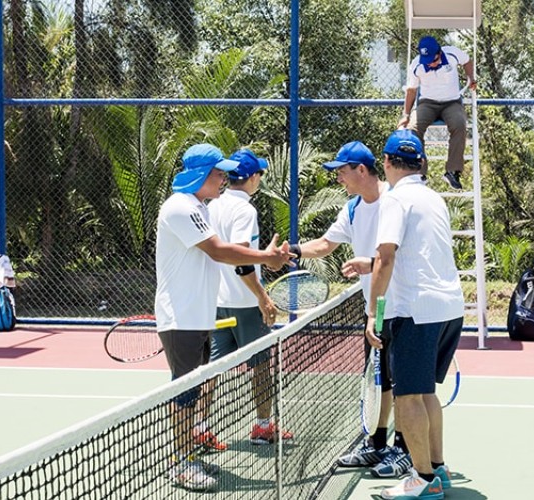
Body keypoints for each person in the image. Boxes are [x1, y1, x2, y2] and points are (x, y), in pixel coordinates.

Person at [155, 143, 293, 492]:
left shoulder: (199, 207)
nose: (223, 179)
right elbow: (219, 251)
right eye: (218, 173)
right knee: (184, 393)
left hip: (198, 316)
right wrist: (266, 257)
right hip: (181, 319)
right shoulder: (180, 207)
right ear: (200, 175)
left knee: (195, 387)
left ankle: (187, 453)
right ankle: (181, 463)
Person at [290, 141, 411, 479]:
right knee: (380, 378)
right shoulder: (353, 209)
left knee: (402, 381)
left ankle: (402, 448)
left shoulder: (395, 201)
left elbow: (398, 256)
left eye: (342, 171)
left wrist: (369, 264)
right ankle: (376, 443)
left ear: (361, 170)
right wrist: (294, 250)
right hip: (374, 309)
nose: (338, 178)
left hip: (401, 307)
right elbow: (326, 245)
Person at [366, 130, 464, 500]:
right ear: (421, 163)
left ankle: (423, 480)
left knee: (407, 397)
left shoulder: (395, 200)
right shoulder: (433, 197)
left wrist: (373, 314)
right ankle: (438, 468)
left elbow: (386, 257)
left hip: (415, 311)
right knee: (425, 392)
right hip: (449, 307)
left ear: (387, 163)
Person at [207, 147, 293, 446]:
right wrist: (263, 297)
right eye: (260, 173)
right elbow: (242, 261)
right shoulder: (245, 210)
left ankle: (200, 429)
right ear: (253, 177)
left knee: (211, 371)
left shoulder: (210, 204)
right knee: (260, 367)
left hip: (216, 303)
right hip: (244, 305)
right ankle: (263, 427)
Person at [397, 36, 476, 191]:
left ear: (439, 53)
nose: (430, 64)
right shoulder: (416, 64)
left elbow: (467, 61)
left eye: (432, 60)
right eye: (426, 60)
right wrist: (405, 114)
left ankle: (452, 171)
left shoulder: (452, 53)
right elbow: (411, 90)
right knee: (413, 129)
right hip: (428, 103)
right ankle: (419, 173)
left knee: (459, 124)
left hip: (451, 102)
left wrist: (471, 78)